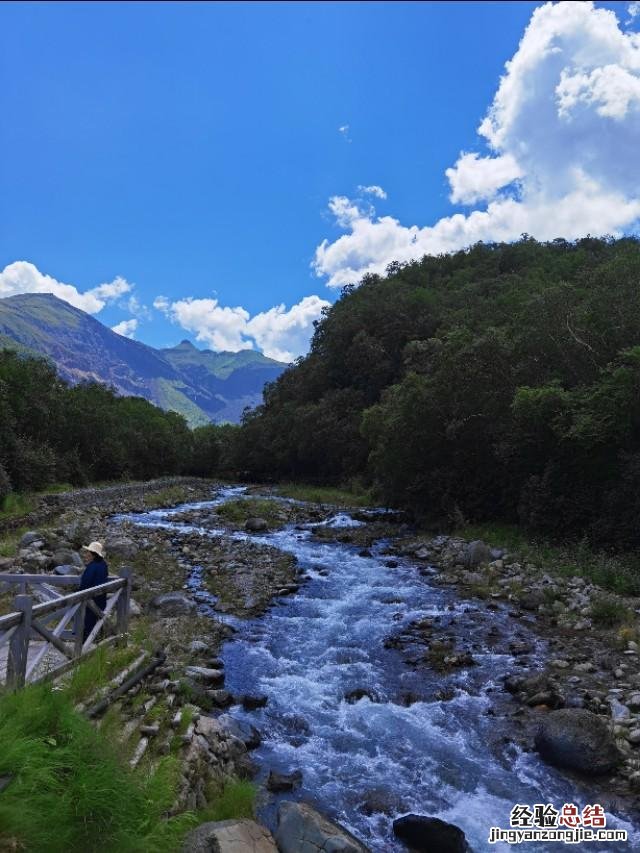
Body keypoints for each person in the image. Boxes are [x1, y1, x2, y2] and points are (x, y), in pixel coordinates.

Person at [79, 541, 108, 641]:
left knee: (88, 627)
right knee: (97, 624)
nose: (86, 554)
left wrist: (78, 594)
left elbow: (85, 583)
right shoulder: (103, 565)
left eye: (88, 552)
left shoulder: (92, 567)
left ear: (93, 555)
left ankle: (84, 649)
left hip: (91, 601)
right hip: (100, 600)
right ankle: (98, 642)